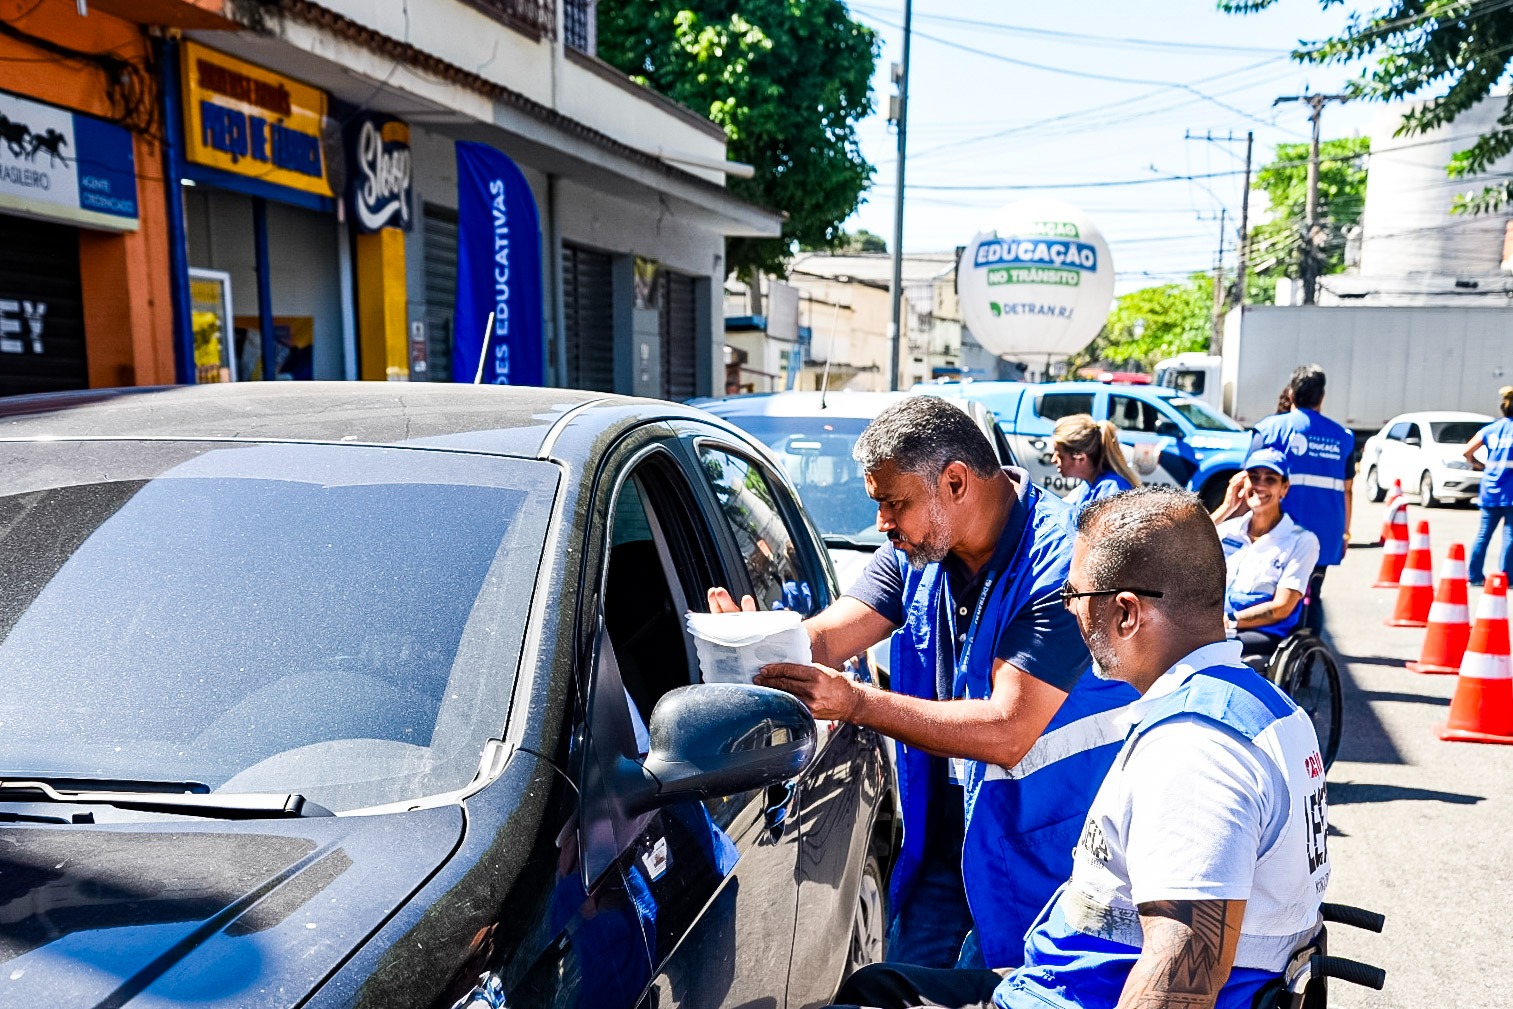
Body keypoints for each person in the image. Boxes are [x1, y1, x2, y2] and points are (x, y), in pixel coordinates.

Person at [828, 486, 1330, 1009]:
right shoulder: (1265, 706)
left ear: (1127, 614)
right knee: (878, 985)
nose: (1069, 613)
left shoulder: (1194, 749)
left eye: (1075, 597)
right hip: (1068, 982)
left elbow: (1183, 968)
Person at [709, 396, 1138, 970]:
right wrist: (758, 646)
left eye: (894, 502)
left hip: (1043, 859)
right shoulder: (917, 551)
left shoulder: (1064, 567)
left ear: (956, 481)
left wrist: (856, 702)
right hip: (946, 848)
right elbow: (831, 635)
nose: (882, 523)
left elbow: (1008, 731)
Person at [1248, 364, 1354, 633]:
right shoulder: (1343, 437)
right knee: (1312, 593)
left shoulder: (1268, 429)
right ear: (1322, 397)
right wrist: (1344, 534)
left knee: (1272, 593)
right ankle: (1310, 654)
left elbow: (1247, 482)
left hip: (1281, 531)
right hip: (1325, 532)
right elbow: (1348, 489)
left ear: (1292, 393)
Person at [1214, 449, 1320, 661]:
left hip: (1263, 631)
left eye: (1270, 479)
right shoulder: (1228, 529)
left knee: (1212, 649)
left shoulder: (1301, 540)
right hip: (1217, 626)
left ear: (1284, 488)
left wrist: (1231, 620)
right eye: (1253, 477)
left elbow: (1282, 607)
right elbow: (1185, 545)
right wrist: (1226, 507)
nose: (1260, 485)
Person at [1464, 385, 1513, 586]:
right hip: (1511, 492)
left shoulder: (1491, 429)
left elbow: (1466, 451)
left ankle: (1474, 576)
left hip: (1490, 489)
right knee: (1510, 536)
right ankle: (1506, 577)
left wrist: (1479, 465)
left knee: (1484, 534)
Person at [1052, 413, 1141, 522]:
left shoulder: (1112, 490)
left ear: (1081, 458)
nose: (1053, 460)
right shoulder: (1087, 485)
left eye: (1060, 456)